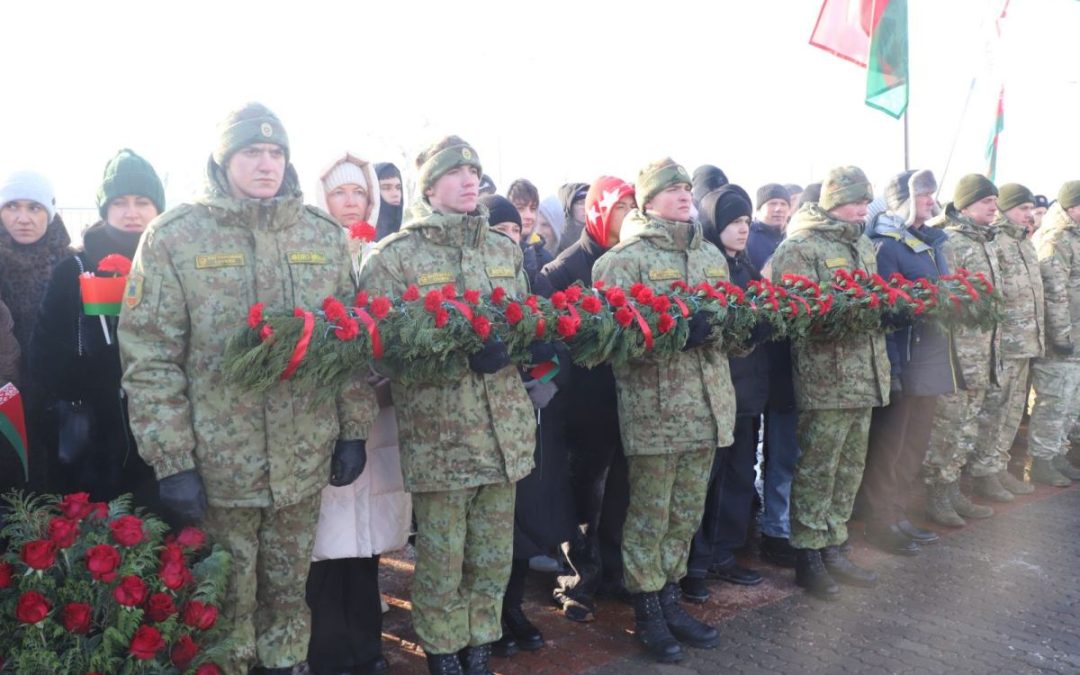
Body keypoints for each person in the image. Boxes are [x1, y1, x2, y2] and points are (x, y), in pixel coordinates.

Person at [119, 103, 375, 675]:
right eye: (251, 153)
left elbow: (349, 341)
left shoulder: (320, 234)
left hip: (302, 457)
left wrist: (353, 431)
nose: (266, 164)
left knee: (289, 593)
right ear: (223, 159)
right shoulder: (175, 237)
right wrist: (172, 460)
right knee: (225, 603)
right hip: (219, 465)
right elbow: (151, 358)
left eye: (276, 153)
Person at [357, 136, 536, 675]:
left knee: (491, 556)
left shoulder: (504, 250)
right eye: (455, 173)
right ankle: (442, 652)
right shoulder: (395, 257)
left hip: (504, 433)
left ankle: (479, 646)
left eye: (474, 172)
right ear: (429, 186)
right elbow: (377, 350)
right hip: (442, 438)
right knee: (441, 558)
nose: (468, 180)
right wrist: (449, 354)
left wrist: (527, 341)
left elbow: (522, 319)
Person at [593, 158, 735, 663]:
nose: (682, 195)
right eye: (669, 189)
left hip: (708, 406)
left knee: (685, 514)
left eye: (684, 188)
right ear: (647, 200)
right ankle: (647, 611)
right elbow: (609, 342)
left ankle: (671, 599)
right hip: (656, 411)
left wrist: (743, 332)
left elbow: (726, 325)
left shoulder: (710, 257)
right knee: (650, 517)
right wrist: (674, 336)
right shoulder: (621, 262)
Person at [306, 152, 410, 675]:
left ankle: (367, 647)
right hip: (325, 416)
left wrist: (391, 374)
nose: (351, 204)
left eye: (359, 194)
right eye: (339, 193)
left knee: (367, 544)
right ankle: (326, 652)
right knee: (326, 544)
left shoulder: (385, 256)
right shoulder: (307, 257)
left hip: (378, 413)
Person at [769, 166, 890, 600]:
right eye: (857, 200)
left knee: (849, 467)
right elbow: (792, 315)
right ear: (834, 201)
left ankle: (835, 545)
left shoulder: (860, 242)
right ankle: (808, 556)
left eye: (866, 201)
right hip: (827, 377)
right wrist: (851, 313)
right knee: (818, 469)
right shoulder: (800, 247)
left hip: (865, 374)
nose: (864, 208)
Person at [31, 149, 164, 507]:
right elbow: (43, 355)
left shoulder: (175, 266)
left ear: (158, 208)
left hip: (165, 433)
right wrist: (95, 377)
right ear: (104, 209)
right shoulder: (73, 269)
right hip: (93, 438)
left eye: (142, 201)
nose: (132, 212)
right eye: (119, 202)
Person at [542, 176, 635, 622]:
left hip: (629, 401)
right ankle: (576, 582)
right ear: (599, 212)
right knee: (583, 500)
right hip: (583, 406)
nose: (630, 217)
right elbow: (548, 341)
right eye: (621, 208)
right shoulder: (562, 270)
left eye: (635, 208)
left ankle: (614, 574)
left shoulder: (635, 262)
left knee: (622, 494)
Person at [682, 184, 768, 603]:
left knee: (737, 477)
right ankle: (695, 563)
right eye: (734, 221)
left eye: (747, 222)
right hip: (715, 395)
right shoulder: (705, 268)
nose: (742, 229)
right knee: (706, 483)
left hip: (747, 393)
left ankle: (723, 553)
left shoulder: (748, 270)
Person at [859, 169, 951, 554]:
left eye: (932, 195)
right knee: (889, 448)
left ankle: (898, 513)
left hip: (928, 359)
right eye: (924, 195)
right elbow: (888, 313)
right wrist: (893, 369)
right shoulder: (885, 245)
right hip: (904, 361)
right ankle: (881, 521)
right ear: (904, 200)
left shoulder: (927, 241)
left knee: (914, 446)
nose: (931, 201)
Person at [923, 174, 1003, 527]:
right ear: (967, 204)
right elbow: (946, 298)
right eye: (988, 201)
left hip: (984, 352)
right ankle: (935, 494)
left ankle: (953, 488)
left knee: (967, 425)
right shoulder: (951, 242)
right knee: (948, 425)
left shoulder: (987, 240)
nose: (994, 208)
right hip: (957, 355)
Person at [969, 183, 1044, 501]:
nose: (1029, 215)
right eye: (1022, 208)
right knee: (994, 411)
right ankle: (983, 472)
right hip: (1003, 343)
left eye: (1031, 209)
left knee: (1012, 411)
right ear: (1005, 210)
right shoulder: (996, 241)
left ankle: (998, 467)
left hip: (1026, 341)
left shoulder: (1025, 243)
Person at [0, 169, 72, 493]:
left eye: (34, 207)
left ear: (50, 212)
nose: (23, 218)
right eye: (12, 207)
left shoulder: (73, 265)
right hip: (5, 398)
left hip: (61, 400)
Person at [748, 180, 800, 568]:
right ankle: (765, 524)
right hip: (755, 365)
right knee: (752, 454)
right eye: (772, 204)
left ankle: (778, 528)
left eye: (784, 203)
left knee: (783, 454)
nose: (779, 210)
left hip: (787, 365)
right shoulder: (749, 243)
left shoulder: (795, 242)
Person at [1028, 180, 1080, 485]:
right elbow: (1054, 290)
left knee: (1070, 402)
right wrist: (1061, 336)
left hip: (1076, 335)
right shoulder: (1057, 237)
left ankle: (1058, 454)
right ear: (1073, 207)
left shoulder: (1074, 236)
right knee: (1054, 400)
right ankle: (1042, 461)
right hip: (1061, 339)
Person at [556, 182, 589, 254]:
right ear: (568, 206)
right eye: (581, 203)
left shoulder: (595, 234)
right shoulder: (557, 238)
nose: (586, 207)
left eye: (588, 202)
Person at [375, 162, 404, 241]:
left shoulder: (409, 229)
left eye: (398, 188)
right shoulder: (362, 237)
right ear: (374, 191)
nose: (395, 194)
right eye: (386, 188)